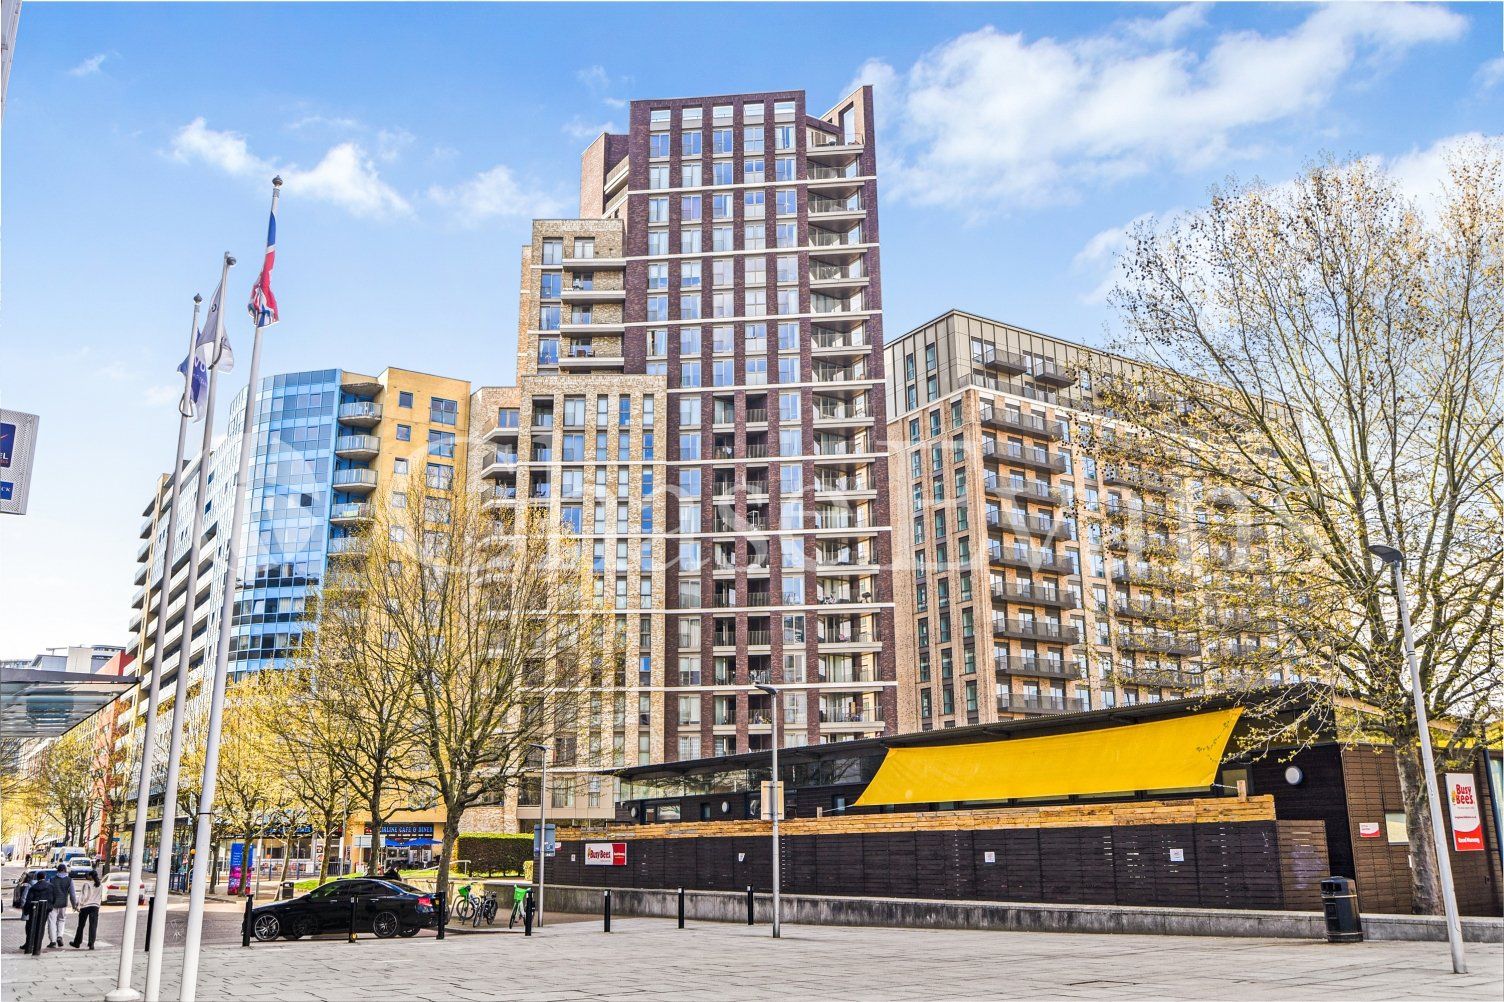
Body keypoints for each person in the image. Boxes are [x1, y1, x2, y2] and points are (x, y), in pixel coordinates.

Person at [44, 863, 76, 948]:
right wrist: (74, 905)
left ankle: (53, 941)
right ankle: (59, 936)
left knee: (51, 922)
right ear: (65, 870)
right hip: (63, 904)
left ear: (57, 870)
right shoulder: (69, 880)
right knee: (61, 920)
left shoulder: (52, 879)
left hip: (53, 904)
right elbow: (72, 894)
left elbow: (47, 892)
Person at [70, 869, 102, 949]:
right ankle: (91, 943)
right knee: (93, 926)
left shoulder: (87, 884)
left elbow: (84, 896)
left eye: (88, 875)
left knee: (81, 925)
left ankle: (77, 942)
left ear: (91, 876)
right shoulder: (100, 885)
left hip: (85, 906)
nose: (86, 876)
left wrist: (79, 905)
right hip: (95, 906)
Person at [17, 873, 38, 953]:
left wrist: (23, 907)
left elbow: (24, 897)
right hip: (38, 909)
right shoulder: (39, 884)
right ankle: (34, 943)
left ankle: (28, 943)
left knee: (28, 927)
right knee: (35, 927)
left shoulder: (29, 885)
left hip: (29, 908)